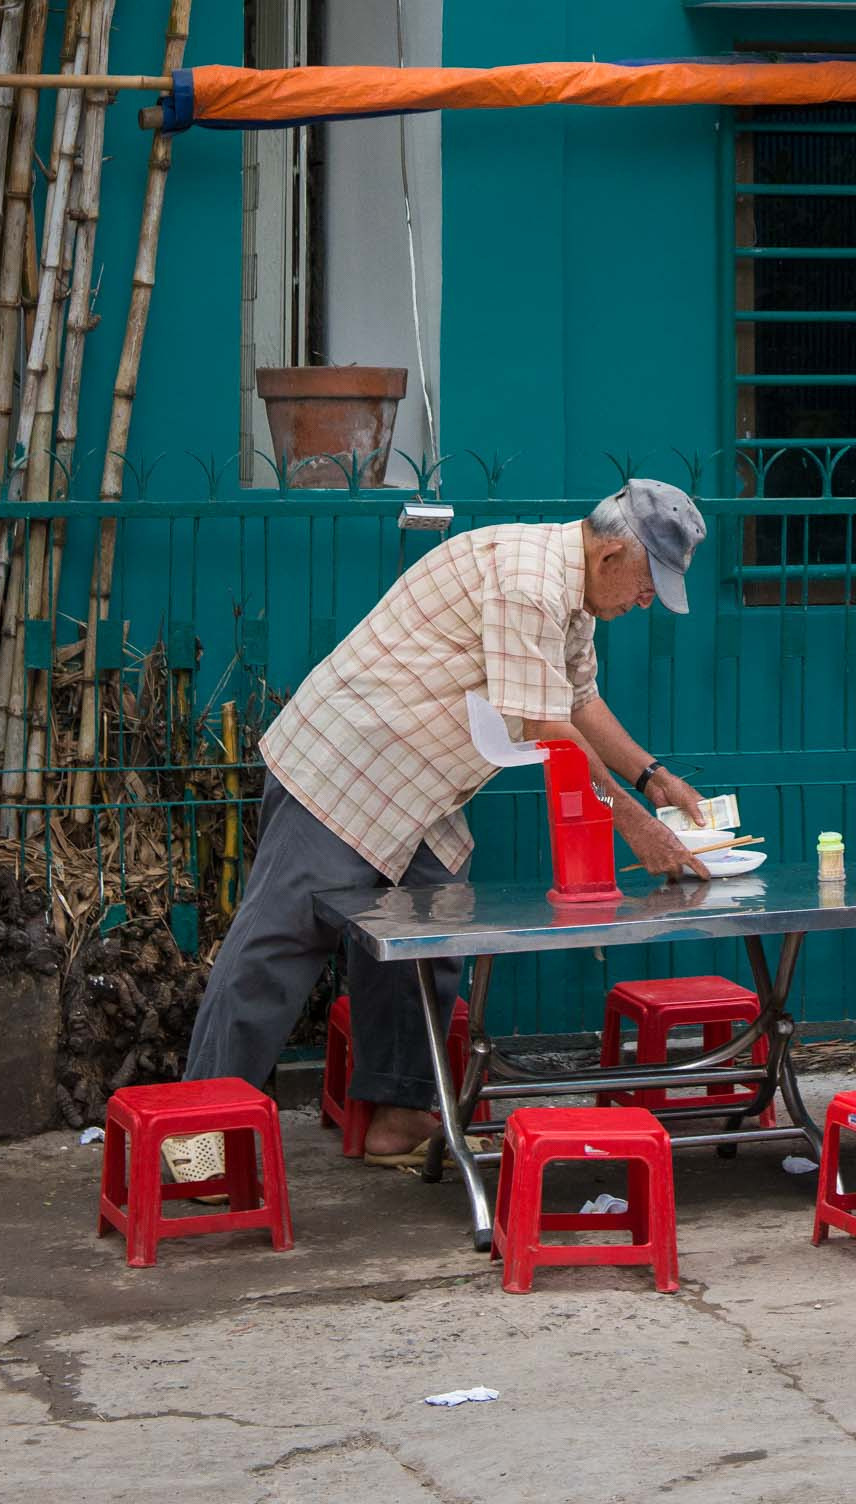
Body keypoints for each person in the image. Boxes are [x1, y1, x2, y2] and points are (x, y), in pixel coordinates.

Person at [169, 479, 715, 1177]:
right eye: (647, 583)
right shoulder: (531, 581)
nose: (647, 602)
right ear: (611, 554)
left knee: (429, 939)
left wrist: (654, 776)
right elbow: (549, 730)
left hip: (418, 783)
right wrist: (636, 827)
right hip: (348, 764)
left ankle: (398, 1118)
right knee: (276, 948)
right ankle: (195, 1144)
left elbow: (577, 700)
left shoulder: (575, 596)